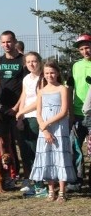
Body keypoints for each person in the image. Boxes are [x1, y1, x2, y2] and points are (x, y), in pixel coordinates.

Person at [29, 61, 76, 202]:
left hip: (59, 128)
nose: (50, 75)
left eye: (52, 72)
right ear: (44, 74)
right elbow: (38, 112)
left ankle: (61, 191)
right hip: (45, 130)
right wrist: (44, 129)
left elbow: (63, 111)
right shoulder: (42, 91)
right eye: (47, 73)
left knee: (60, 156)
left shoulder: (63, 89)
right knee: (47, 157)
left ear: (58, 73)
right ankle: (50, 190)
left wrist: (47, 124)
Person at [0, 30, 27, 181]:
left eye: (9, 41)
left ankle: (26, 175)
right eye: (3, 42)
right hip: (2, 110)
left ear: (15, 41)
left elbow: (26, 88)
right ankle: (8, 175)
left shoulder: (23, 60)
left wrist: (17, 108)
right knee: (4, 144)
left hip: (19, 109)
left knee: (22, 143)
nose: (6, 45)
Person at [14, 52, 42, 188]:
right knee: (25, 151)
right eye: (29, 61)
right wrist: (20, 116)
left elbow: (39, 100)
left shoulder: (42, 79)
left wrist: (22, 112)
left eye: (34, 61)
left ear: (39, 62)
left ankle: (39, 182)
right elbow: (24, 96)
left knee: (35, 149)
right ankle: (29, 179)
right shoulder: (26, 79)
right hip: (25, 117)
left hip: (36, 117)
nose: (32, 64)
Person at [67, 34, 91, 191]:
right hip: (77, 113)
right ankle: (77, 180)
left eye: (87, 47)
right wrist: (70, 111)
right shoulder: (76, 66)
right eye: (81, 49)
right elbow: (70, 88)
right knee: (75, 147)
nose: (85, 51)